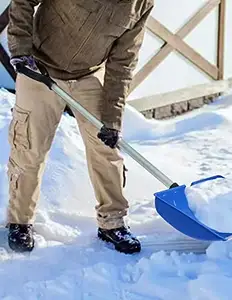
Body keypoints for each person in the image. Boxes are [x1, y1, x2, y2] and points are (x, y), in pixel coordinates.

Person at [6, 0, 154, 254]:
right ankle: (19, 221)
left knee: (106, 150)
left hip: (87, 76)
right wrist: (20, 48)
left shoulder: (141, 4)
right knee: (29, 147)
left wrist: (112, 117)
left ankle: (112, 223)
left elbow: (123, 62)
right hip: (39, 70)